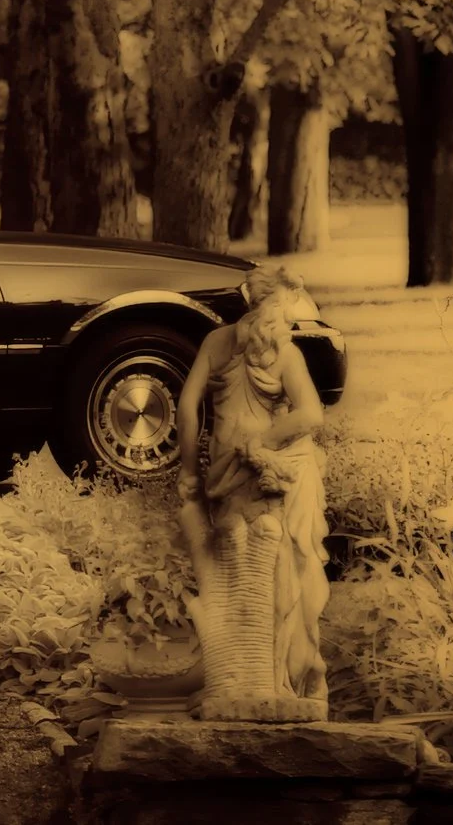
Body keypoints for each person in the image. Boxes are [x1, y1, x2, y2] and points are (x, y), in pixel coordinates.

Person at [175, 264, 330, 719]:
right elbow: (309, 416)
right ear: (270, 306)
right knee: (261, 566)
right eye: (285, 308)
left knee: (256, 564)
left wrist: (190, 468)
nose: (288, 319)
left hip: (248, 470)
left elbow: (187, 407)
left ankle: (268, 678)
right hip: (256, 469)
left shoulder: (217, 343)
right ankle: (260, 678)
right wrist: (262, 442)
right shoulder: (283, 352)